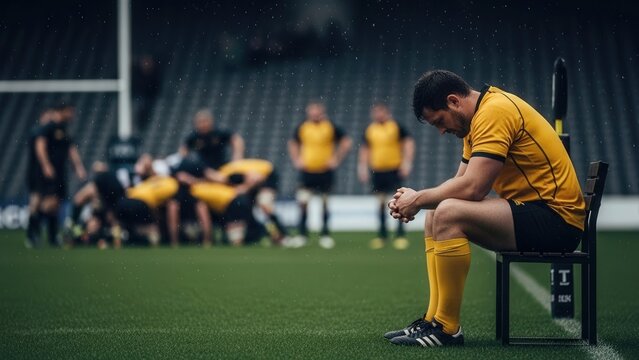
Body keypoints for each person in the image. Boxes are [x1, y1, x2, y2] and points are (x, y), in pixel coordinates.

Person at [385, 70, 585, 347]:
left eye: (440, 122)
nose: (442, 131)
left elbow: (474, 188)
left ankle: (446, 328)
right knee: (437, 211)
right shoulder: (478, 119)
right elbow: (460, 183)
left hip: (556, 220)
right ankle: (433, 320)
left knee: (447, 212)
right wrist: (417, 199)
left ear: (454, 101)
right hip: (534, 211)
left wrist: (417, 199)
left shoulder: (495, 112)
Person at [287, 101, 352, 249]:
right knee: (303, 203)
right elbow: (292, 143)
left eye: (317, 111)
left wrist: (336, 159)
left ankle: (325, 235)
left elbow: (346, 142)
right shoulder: (303, 127)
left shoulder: (330, 127)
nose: (314, 114)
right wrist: (297, 160)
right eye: (312, 112)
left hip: (325, 172)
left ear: (322, 112)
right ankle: (302, 235)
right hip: (307, 172)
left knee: (324, 203)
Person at [358, 102, 415, 250]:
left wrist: (406, 163)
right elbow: (365, 149)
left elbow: (408, 143)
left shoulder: (396, 127)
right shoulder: (370, 130)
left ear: (387, 112)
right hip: (377, 170)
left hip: (394, 169)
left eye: (380, 112)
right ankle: (382, 236)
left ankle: (400, 235)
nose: (378, 115)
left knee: (399, 202)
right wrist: (362, 167)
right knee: (380, 203)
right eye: (375, 112)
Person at [34, 102, 86, 247]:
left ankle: (52, 237)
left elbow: (71, 149)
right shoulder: (49, 127)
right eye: (70, 112)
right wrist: (46, 165)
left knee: (56, 205)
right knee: (49, 203)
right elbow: (40, 145)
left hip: (60, 172)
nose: (72, 116)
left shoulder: (64, 129)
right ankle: (33, 229)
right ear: (62, 111)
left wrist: (78, 167)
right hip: (50, 172)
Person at [217, 158, 289, 245]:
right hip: (257, 181)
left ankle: (281, 232)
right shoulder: (228, 172)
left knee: (264, 203)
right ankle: (262, 233)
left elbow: (256, 178)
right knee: (246, 205)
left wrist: (245, 188)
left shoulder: (230, 172)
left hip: (268, 175)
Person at [179, 109, 245, 170]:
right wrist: (185, 161)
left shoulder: (218, 132)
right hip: (204, 168)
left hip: (222, 164)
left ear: (211, 121)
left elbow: (236, 139)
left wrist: (237, 157)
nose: (203, 125)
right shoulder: (194, 136)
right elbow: (184, 148)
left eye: (205, 121)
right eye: (200, 122)